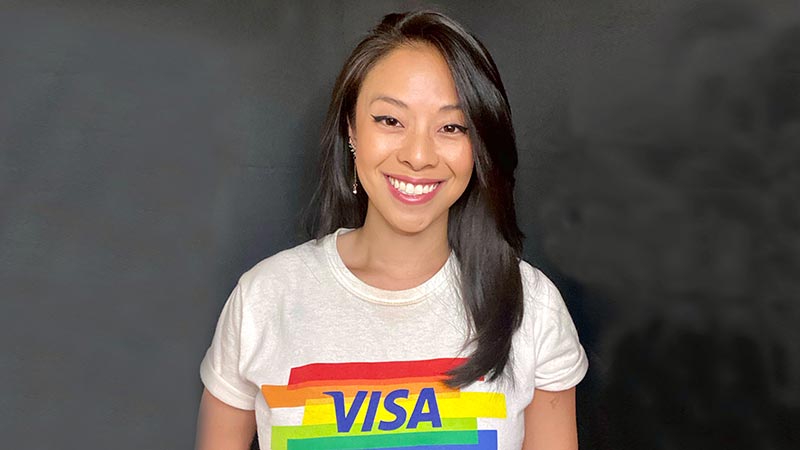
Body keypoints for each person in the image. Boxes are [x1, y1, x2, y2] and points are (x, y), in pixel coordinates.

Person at [196, 10, 588, 450]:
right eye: (390, 120)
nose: (418, 155)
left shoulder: (530, 305)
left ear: (477, 145)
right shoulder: (265, 298)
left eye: (451, 127)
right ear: (351, 129)